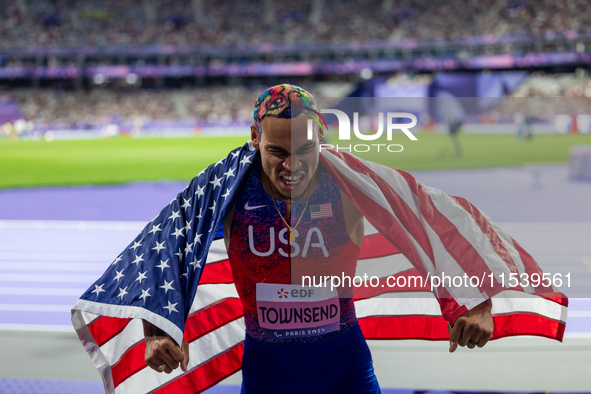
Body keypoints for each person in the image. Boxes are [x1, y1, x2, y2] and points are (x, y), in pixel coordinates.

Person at [72, 84, 566, 394]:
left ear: (322, 137)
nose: (292, 164)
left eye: (305, 148)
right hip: (267, 372)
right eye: (276, 150)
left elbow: (428, 220)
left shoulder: (352, 182)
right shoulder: (225, 190)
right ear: (253, 138)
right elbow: (168, 244)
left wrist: (472, 302)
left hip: (345, 368)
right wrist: (157, 327)